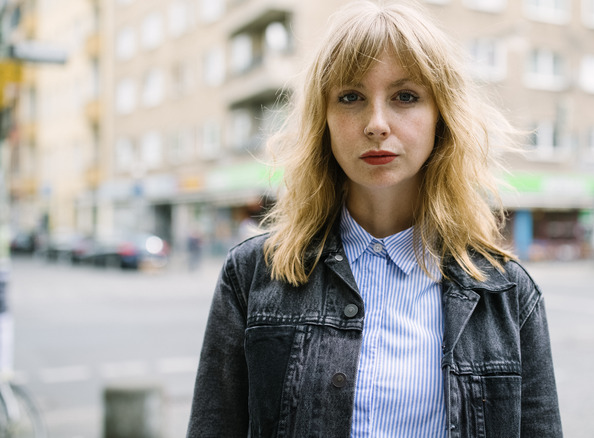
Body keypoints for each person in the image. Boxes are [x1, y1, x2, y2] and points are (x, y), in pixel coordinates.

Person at [187, 2, 562, 437]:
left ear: (441, 117)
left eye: (405, 96)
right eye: (351, 97)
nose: (377, 124)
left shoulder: (506, 292)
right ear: (324, 120)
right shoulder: (252, 274)